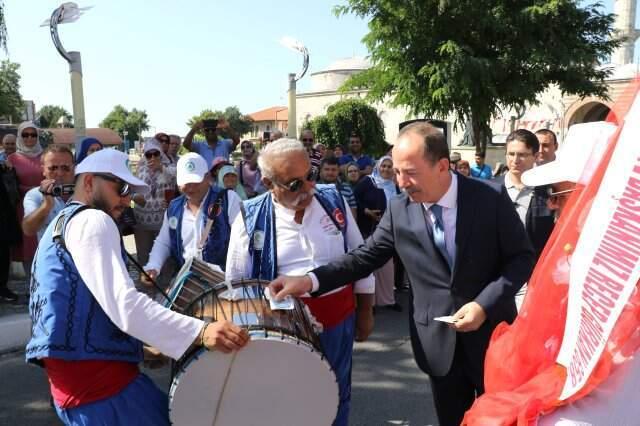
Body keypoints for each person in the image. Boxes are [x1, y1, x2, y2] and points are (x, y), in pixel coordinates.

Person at [270, 121, 535, 426]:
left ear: (442, 166)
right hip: (437, 341)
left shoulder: (489, 197)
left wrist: (482, 304)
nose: (401, 182)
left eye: (410, 173)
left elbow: (521, 258)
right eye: (396, 172)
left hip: (493, 338)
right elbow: (363, 258)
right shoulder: (399, 209)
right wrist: (309, 280)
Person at [25, 148, 249, 425]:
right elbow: (124, 304)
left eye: (130, 191)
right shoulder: (93, 219)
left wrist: (139, 348)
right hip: (102, 389)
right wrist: (201, 332)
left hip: (79, 387)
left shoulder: (61, 223)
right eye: (120, 188)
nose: (126, 200)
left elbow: (88, 304)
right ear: (88, 182)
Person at [225, 138, 374, 426]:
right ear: (269, 184)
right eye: (294, 184)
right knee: (289, 401)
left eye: (310, 176)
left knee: (337, 393)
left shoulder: (334, 200)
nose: (308, 188)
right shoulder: (249, 217)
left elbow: (361, 259)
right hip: (284, 332)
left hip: (338, 324)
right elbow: (238, 286)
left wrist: (366, 311)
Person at [143, 153, 242, 282]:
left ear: (207, 178)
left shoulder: (229, 199)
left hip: (223, 281)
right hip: (187, 281)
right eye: (185, 182)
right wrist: (153, 266)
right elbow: (164, 241)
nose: (190, 187)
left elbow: (242, 243)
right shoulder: (174, 207)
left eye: (195, 181)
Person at [493, 129, 554, 310]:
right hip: (497, 279)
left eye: (522, 155)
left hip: (535, 279)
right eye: (511, 154)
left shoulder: (549, 192)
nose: (515, 160)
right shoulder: (489, 189)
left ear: (535, 156)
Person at [354, 156, 401, 311]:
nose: (386, 169)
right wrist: (366, 211)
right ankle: (370, 303)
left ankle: (387, 300)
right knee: (370, 265)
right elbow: (355, 199)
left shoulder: (395, 186)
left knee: (387, 267)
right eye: (384, 166)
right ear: (378, 167)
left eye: (389, 166)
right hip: (370, 228)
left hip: (389, 229)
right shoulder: (368, 182)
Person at [132, 139, 176, 286]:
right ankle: (146, 287)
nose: (152, 157)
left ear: (161, 153)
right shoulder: (140, 169)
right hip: (142, 220)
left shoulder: (169, 167)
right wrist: (134, 197)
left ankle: (165, 287)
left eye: (155, 153)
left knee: (163, 255)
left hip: (161, 220)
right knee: (144, 256)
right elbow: (131, 189)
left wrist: (161, 168)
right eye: (148, 154)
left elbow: (175, 177)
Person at [8, 121, 44, 281]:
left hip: (45, 204)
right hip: (22, 208)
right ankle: (32, 283)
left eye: (33, 134)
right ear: (20, 137)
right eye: (25, 134)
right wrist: (30, 189)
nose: (30, 138)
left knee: (44, 242)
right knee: (27, 247)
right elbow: (10, 184)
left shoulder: (45, 156)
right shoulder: (12, 159)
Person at [22, 145, 75, 242]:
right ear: (43, 170)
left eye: (65, 168)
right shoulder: (35, 195)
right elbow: (28, 230)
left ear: (73, 168)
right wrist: (46, 205)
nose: (59, 173)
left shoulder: (86, 192)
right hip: (50, 255)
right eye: (53, 168)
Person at [0, 157, 20, 302]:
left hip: (2, 216)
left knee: (2, 253)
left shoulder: (3, 167)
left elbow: (11, 190)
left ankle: (2, 288)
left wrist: (9, 171)